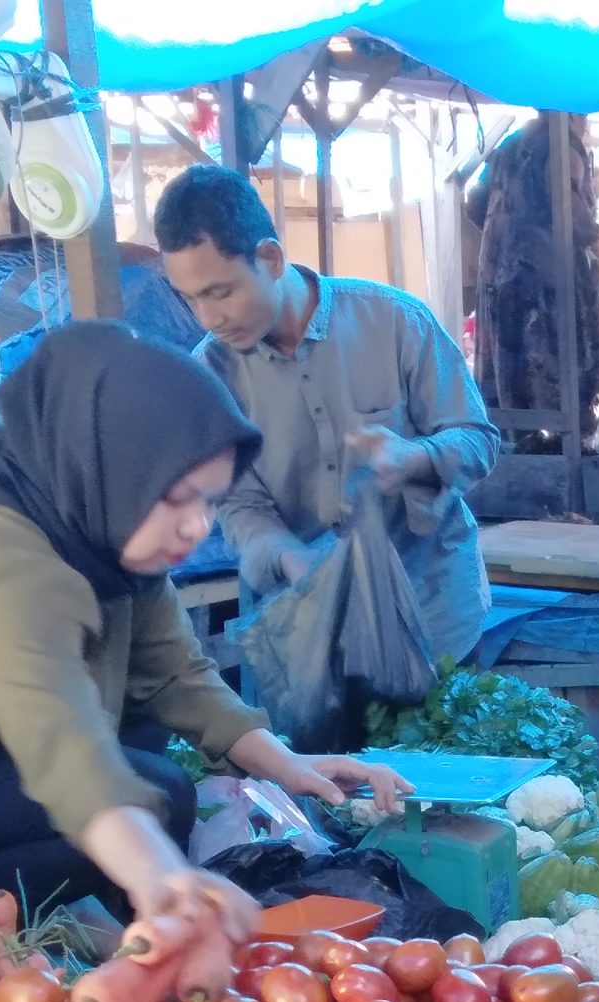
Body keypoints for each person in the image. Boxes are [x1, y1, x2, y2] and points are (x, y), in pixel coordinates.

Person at [0, 324, 407, 920]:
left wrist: (287, 766)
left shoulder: (94, 518)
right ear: (110, 465)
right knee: (154, 794)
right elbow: (59, 740)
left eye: (210, 501)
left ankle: (64, 911)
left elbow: (176, 675)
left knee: (143, 752)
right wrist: (164, 883)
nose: (198, 527)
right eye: (176, 499)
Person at [154, 166, 502, 668]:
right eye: (190, 299)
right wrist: (290, 558)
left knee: (446, 742)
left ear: (271, 258)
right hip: (307, 631)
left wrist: (416, 459)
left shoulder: (396, 321)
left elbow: (478, 439)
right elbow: (238, 503)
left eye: (220, 292)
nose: (208, 319)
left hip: (434, 613)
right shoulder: (209, 373)